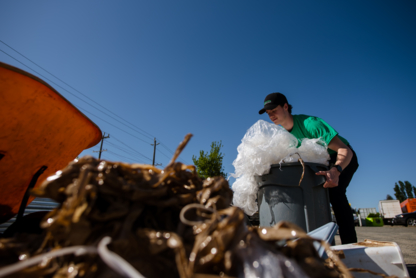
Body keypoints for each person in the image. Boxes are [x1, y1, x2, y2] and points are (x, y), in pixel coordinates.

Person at [259, 92, 359, 244]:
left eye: (274, 110)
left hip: (340, 158)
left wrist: (336, 170)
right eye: (268, 113)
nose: (271, 115)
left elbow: (346, 151)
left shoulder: (310, 125)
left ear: (286, 106)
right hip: (320, 163)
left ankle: (350, 244)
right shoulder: (284, 135)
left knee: (336, 194)